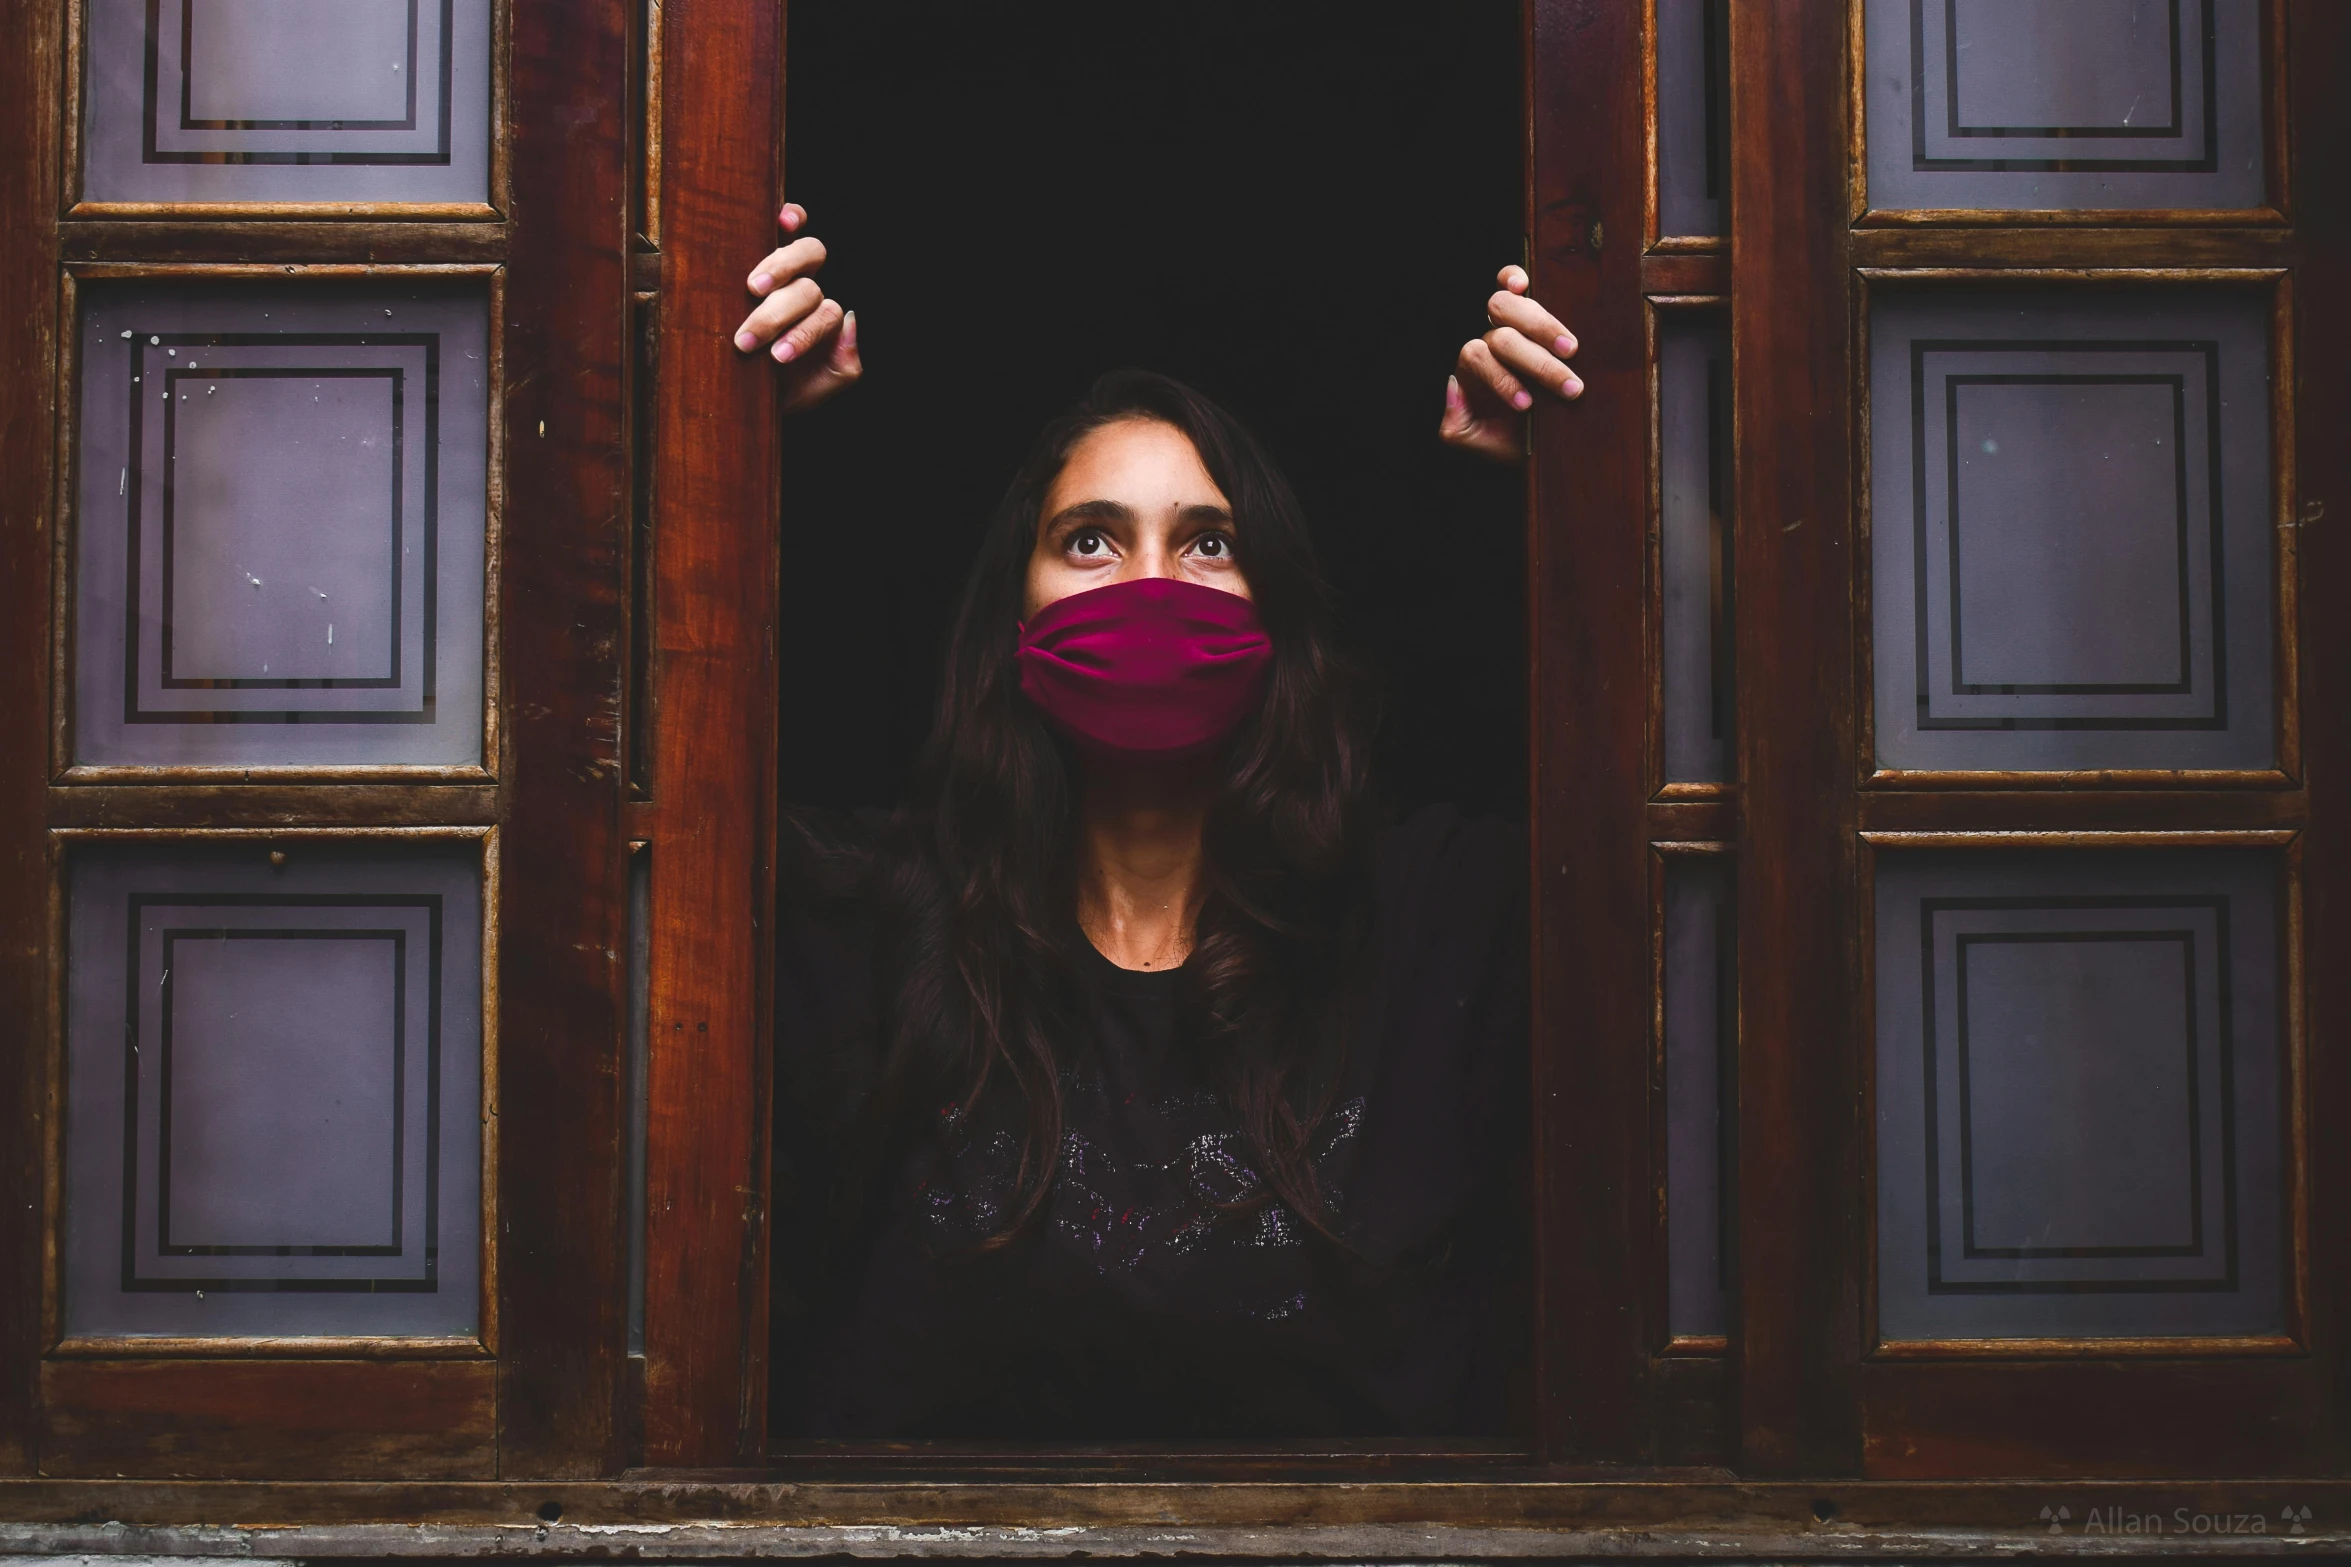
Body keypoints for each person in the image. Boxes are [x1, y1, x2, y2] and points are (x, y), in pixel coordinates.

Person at [735, 206, 1582, 1439]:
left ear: (1278, 614)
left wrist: (1612, 477)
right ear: (1011, 617)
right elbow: (610, 790)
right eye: (1090, 540)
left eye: (1205, 543)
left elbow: (1732, 803)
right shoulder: (868, 928)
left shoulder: (1437, 919)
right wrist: (710, 443)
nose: (1145, 586)